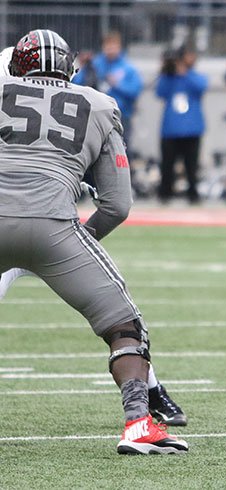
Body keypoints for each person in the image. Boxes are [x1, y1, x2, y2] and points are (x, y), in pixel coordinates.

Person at [0, 29, 187, 454]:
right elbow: (117, 203)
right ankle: (139, 424)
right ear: (70, 67)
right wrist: (71, 244)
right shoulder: (99, 105)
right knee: (126, 329)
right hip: (53, 226)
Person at [72, 31, 143, 153]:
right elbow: (75, 84)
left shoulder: (128, 68)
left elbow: (135, 91)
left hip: (120, 116)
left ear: (119, 47)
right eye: (107, 46)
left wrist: (117, 85)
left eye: (113, 46)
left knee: (121, 151)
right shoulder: (95, 64)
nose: (110, 49)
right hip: (95, 116)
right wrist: (84, 67)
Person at [156, 45, 208, 205]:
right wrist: (167, 70)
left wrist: (184, 72)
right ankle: (165, 193)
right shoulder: (168, 78)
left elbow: (201, 87)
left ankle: (193, 193)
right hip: (171, 128)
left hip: (191, 128)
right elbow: (159, 91)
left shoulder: (194, 76)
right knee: (167, 164)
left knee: (191, 165)